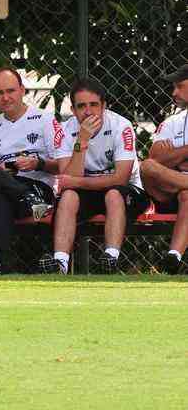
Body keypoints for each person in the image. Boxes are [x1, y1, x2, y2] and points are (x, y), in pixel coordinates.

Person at [39, 76, 149, 275]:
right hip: (87, 192)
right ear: (73, 110)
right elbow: (67, 182)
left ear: (104, 106)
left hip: (126, 193)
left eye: (93, 105)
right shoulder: (65, 131)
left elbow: (120, 178)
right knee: (69, 196)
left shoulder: (121, 126)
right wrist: (82, 140)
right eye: (81, 106)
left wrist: (79, 181)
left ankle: (110, 259)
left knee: (113, 194)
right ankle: (60, 264)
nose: (88, 112)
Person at [0, 67, 61, 275]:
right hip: (9, 190)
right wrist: (0, 171)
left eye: (10, 91)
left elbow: (63, 165)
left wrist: (37, 163)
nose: (5, 97)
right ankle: (26, 198)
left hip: (37, 187)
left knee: (4, 196)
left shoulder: (45, 120)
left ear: (22, 90)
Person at [140, 64, 188, 274]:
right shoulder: (173, 122)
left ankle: (173, 257)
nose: (174, 92)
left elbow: (166, 158)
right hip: (167, 194)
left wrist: (175, 154)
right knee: (147, 166)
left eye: (180, 86)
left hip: (183, 194)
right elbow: (155, 160)